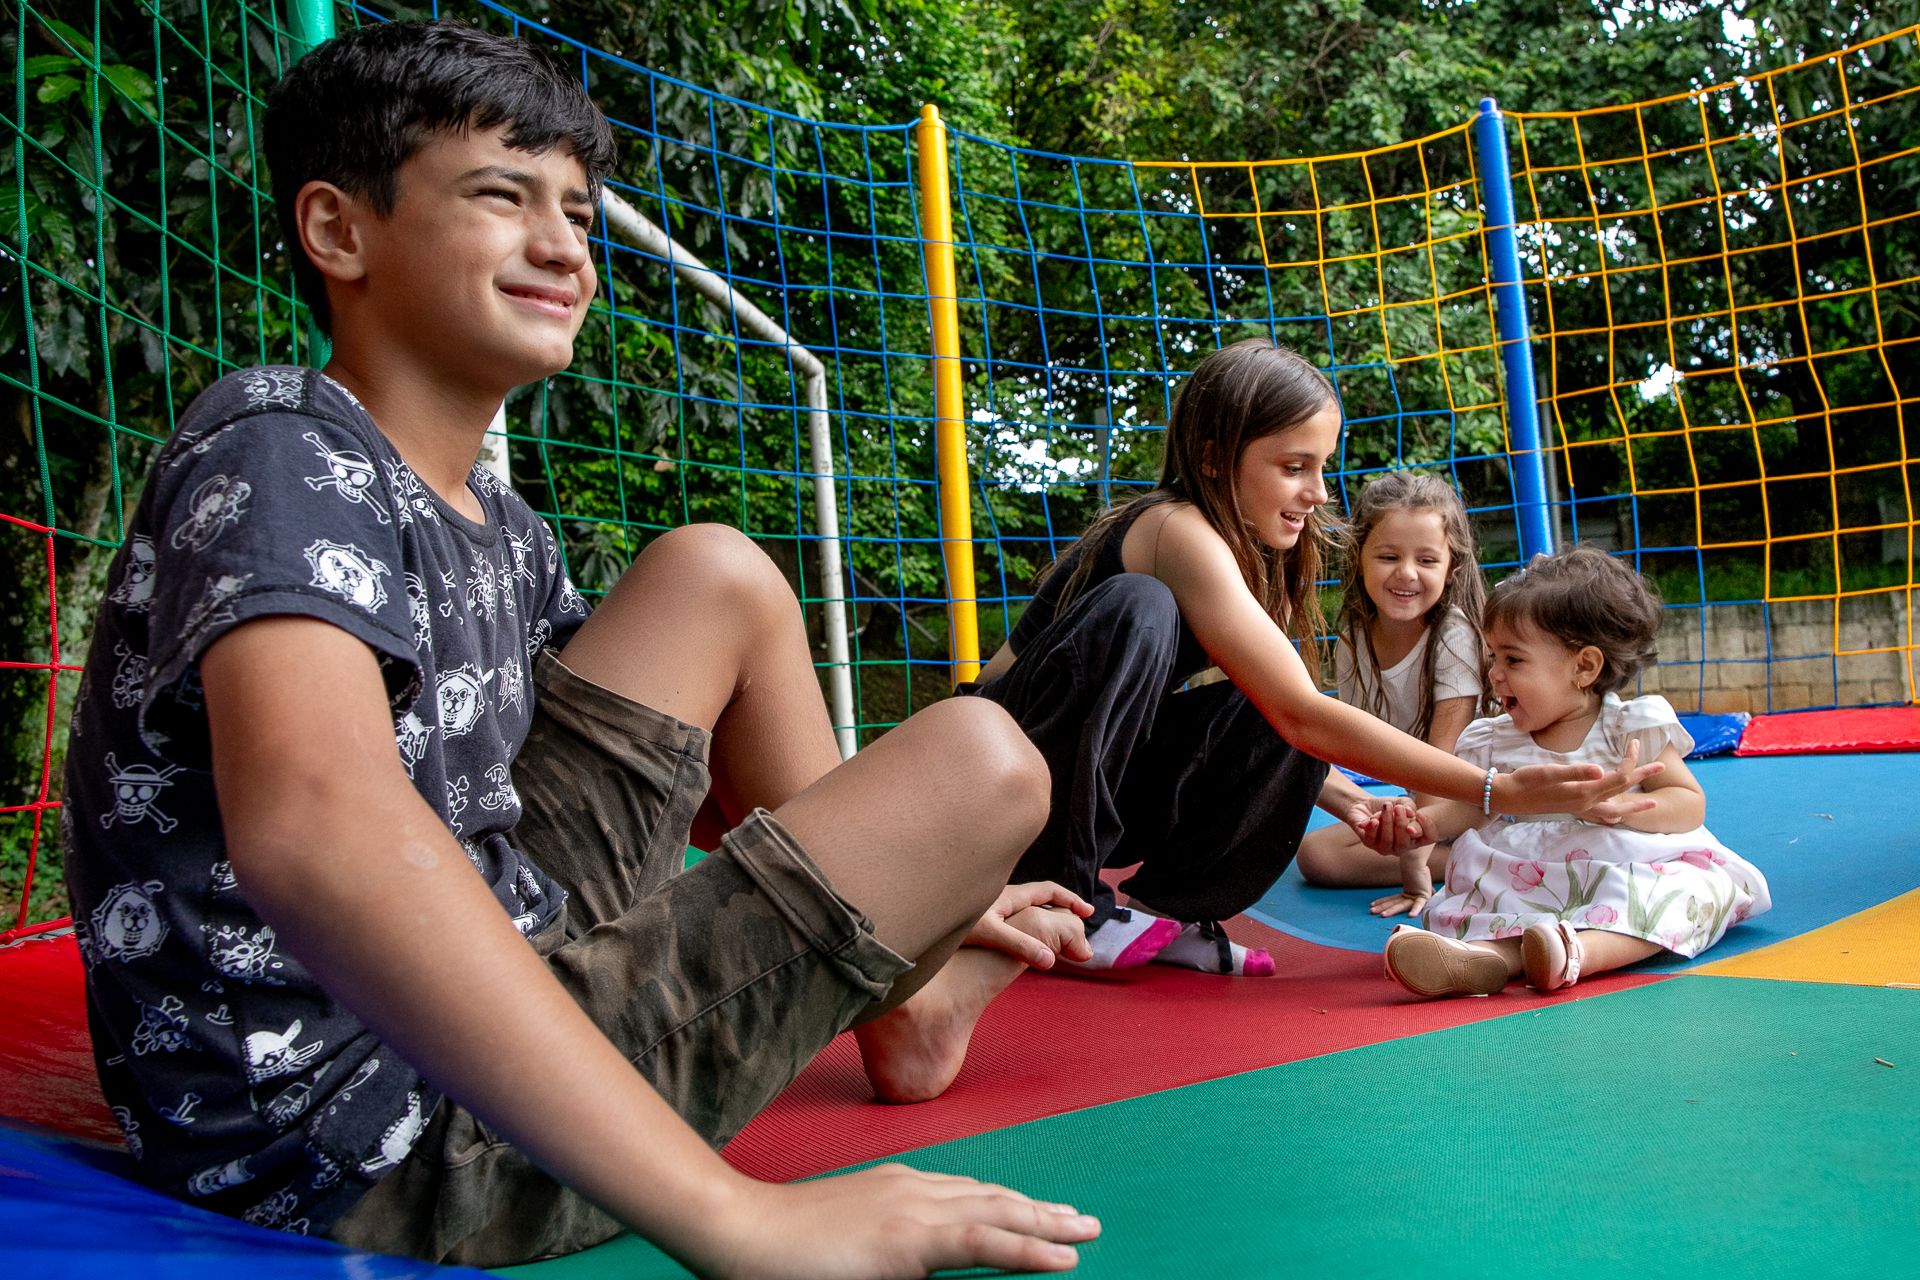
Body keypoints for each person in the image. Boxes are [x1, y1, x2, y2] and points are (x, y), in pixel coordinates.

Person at [61, 21, 1104, 1277]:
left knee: (713, 569)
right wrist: (740, 1215)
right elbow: (317, 830)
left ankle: (907, 1001)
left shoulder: (505, 530)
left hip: (513, 953)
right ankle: (888, 1003)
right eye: (504, 198)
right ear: (339, 232)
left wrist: (917, 882)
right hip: (375, 1143)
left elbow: (663, 778)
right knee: (983, 762)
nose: (565, 245)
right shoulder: (278, 443)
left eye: (579, 211)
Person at [965, 338, 1664, 978]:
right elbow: (1303, 714)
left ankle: (1166, 910)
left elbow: (1282, 714)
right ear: (1213, 458)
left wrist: (1349, 801)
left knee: (1268, 702)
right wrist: (1496, 790)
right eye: (1294, 467)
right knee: (1141, 608)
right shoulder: (1172, 527)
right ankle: (1067, 897)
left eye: (1321, 467)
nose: (1319, 492)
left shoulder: (1255, 554)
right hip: (996, 778)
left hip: (1096, 780)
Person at [1378, 547, 1772, 998]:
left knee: (1680, 894)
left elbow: (1688, 804)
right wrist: (1424, 824)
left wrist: (1626, 808)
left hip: (1620, 866)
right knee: (1487, 900)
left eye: (1514, 660)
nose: (1495, 675)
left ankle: (1577, 954)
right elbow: (1474, 808)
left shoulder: (1628, 728)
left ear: (1584, 667)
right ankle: (1489, 961)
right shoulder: (1493, 740)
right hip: (1529, 873)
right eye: (1493, 658)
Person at [1294, 472, 1490, 917]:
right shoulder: (1353, 639)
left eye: (1426, 560)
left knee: (1366, 847)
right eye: (1388, 556)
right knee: (1315, 855)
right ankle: (1480, 860)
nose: (1406, 573)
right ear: (1359, 557)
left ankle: (1498, 858)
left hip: (1487, 803)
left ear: (1451, 568)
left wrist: (1413, 863)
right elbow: (1358, 744)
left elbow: (1442, 763)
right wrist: (1393, 821)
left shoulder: (1453, 634)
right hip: (1432, 805)